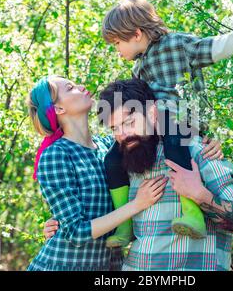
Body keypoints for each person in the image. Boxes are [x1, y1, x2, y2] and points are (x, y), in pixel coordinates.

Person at [100, 0, 233, 246]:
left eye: (117, 42)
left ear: (135, 34)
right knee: (112, 159)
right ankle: (125, 225)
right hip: (159, 125)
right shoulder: (139, 66)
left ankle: (192, 213)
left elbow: (210, 48)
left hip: (181, 120)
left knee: (175, 144)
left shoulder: (175, 44)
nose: (117, 50)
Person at [46, 79, 233, 271]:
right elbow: (94, 214)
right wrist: (57, 223)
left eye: (129, 122)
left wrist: (199, 193)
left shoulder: (196, 152)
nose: (123, 135)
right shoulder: (123, 163)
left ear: (153, 113)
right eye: (114, 128)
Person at [26, 75, 167, 271]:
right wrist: (137, 204)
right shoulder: (56, 155)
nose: (81, 86)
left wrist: (205, 143)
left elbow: (154, 141)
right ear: (59, 109)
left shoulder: (110, 146)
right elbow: (75, 232)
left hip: (108, 266)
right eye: (70, 87)